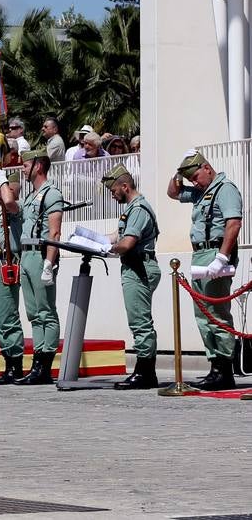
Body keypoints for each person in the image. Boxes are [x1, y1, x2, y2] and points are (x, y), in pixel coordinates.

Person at [170, 151, 242, 390]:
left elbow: (233, 223)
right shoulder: (202, 192)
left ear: (207, 168)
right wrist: (178, 173)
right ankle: (215, 367)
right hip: (200, 253)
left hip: (215, 252)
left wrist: (222, 257)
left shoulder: (225, 189)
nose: (194, 182)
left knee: (217, 313)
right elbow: (173, 192)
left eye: (195, 176)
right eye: (190, 178)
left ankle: (225, 370)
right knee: (203, 315)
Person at [97, 164, 160, 389]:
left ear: (125, 186)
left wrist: (107, 249)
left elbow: (127, 243)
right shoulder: (132, 209)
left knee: (140, 321)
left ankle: (145, 372)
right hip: (134, 267)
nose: (113, 196)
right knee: (139, 320)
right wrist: (95, 240)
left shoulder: (139, 209)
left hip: (139, 268)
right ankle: (145, 370)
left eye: (114, 191)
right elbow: (117, 236)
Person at [13, 149, 63, 385]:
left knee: (46, 312)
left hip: (41, 254)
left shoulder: (51, 194)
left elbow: (54, 231)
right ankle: (36, 365)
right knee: (34, 314)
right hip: (26, 254)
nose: (23, 169)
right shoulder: (31, 196)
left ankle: (44, 366)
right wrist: (1, 182)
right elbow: (11, 205)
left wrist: (49, 264)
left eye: (25, 165)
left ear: (38, 167)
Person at [0, 171, 25, 385]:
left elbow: (10, 201)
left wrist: (3, 181)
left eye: (0, 190)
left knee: (8, 317)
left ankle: (15, 366)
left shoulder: (15, 212)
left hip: (7, 266)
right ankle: (7, 362)